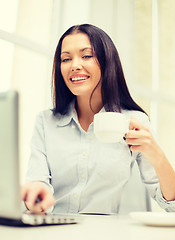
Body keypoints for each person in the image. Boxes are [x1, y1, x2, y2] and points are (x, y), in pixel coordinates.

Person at [21, 24, 175, 214]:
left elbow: (171, 205)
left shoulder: (134, 122)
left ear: (107, 61)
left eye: (86, 56)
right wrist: (35, 195)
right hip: (54, 229)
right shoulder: (46, 122)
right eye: (66, 59)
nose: (75, 65)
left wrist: (156, 154)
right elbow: (38, 181)